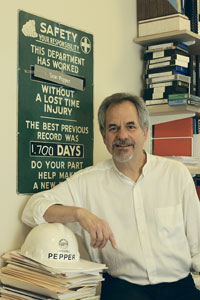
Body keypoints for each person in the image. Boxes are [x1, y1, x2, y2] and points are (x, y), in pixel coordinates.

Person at [22, 92, 200, 300]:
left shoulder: (175, 174)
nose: (122, 135)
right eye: (113, 128)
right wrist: (80, 214)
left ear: (145, 131)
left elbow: (197, 241)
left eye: (130, 126)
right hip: (124, 290)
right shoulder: (86, 182)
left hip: (180, 288)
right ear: (104, 135)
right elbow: (32, 209)